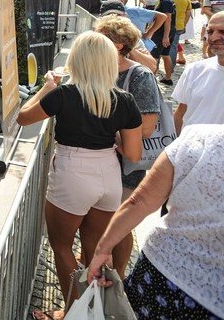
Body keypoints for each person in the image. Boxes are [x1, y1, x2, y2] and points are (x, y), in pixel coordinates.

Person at [18, 32, 142, 319]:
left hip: (73, 172)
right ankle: (93, 310)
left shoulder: (64, 94)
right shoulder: (124, 100)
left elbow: (23, 117)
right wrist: (108, 137)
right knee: (94, 250)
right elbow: (134, 154)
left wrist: (46, 88)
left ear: (77, 60)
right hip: (108, 174)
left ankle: (75, 313)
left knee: (61, 247)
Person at [87, 123, 224, 319]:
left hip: (158, 275)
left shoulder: (201, 136)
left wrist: (103, 250)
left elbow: (140, 201)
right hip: (222, 304)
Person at [93, 15, 162, 277]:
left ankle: (118, 277)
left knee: (118, 226)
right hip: (101, 161)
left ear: (119, 45)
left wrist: (102, 133)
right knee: (99, 222)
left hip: (126, 166)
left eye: (102, 40)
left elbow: (147, 127)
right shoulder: (100, 71)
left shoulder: (139, 75)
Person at [172, 9, 224, 134]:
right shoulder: (195, 69)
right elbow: (181, 113)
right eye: (210, 31)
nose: (213, 37)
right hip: (188, 150)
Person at [98, 0, 159, 73]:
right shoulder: (94, 39)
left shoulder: (132, 37)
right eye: (109, 16)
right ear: (101, 18)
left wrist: (128, 47)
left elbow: (151, 67)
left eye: (118, 15)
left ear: (125, 16)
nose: (114, 19)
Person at [143, 0, 175, 84]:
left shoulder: (166, 2)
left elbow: (167, 19)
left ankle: (151, 81)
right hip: (167, 31)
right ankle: (167, 78)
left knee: (154, 57)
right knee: (165, 54)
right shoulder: (166, 1)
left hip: (162, 32)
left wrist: (165, 36)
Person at [166, 0, 191, 74]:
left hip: (165, 25)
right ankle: (171, 66)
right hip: (179, 25)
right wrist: (184, 24)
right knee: (174, 46)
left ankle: (163, 65)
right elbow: (188, 13)